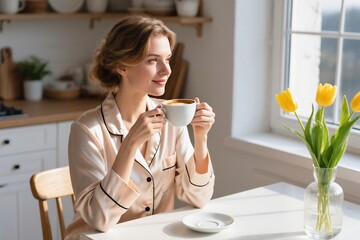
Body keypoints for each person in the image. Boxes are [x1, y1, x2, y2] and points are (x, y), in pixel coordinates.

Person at [65, 15, 215, 240]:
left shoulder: (172, 117)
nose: (167, 70)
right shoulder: (87, 130)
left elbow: (199, 198)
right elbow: (99, 219)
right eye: (153, 60)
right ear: (122, 66)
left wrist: (201, 137)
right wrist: (130, 144)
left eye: (168, 59)